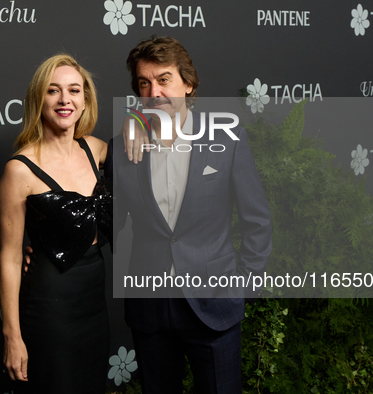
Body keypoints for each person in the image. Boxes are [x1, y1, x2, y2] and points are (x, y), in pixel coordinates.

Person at [107, 36, 272, 393]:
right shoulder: (121, 148)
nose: (155, 92)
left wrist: (243, 287)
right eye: (144, 83)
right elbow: (108, 223)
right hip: (149, 310)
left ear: (188, 83)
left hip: (214, 307)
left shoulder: (227, 139)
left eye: (164, 79)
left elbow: (257, 220)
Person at [0, 54, 111, 393]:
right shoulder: (18, 171)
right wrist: (12, 336)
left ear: (85, 100)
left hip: (94, 301)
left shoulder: (97, 150)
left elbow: (155, 151)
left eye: (74, 90)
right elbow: (10, 257)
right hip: (50, 306)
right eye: (53, 91)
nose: (65, 100)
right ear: (39, 99)